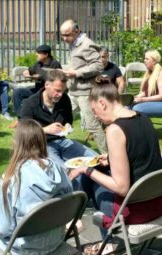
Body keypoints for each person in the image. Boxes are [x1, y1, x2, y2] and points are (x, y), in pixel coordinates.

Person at [68, 78, 162, 255]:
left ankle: (104, 243)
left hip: (137, 210)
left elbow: (122, 187)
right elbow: (140, 157)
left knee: (87, 177)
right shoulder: (143, 118)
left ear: (102, 103)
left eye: (94, 111)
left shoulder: (115, 130)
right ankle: (75, 220)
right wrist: (111, 159)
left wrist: (87, 170)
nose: (95, 116)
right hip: (159, 200)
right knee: (94, 171)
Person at [0, 119, 73, 255]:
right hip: (56, 240)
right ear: (42, 141)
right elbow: (69, 202)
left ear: (16, 143)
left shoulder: (10, 180)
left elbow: (3, 229)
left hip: (23, 251)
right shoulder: (59, 169)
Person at [18, 70, 97, 168]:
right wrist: (45, 130)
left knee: (95, 158)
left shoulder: (64, 99)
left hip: (62, 141)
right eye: (57, 90)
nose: (60, 94)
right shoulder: (30, 103)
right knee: (62, 170)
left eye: (63, 91)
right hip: (41, 144)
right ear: (46, 85)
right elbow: (22, 131)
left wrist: (68, 125)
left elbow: (68, 119)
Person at [60, 19, 107, 153]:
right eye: (62, 35)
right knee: (60, 116)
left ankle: (108, 156)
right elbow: (79, 63)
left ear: (76, 31)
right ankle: (54, 147)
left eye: (67, 35)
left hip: (85, 93)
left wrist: (76, 73)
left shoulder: (86, 44)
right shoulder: (74, 43)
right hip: (73, 91)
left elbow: (98, 66)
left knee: (93, 126)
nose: (64, 38)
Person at [12, 44, 62, 114]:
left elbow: (57, 80)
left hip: (48, 92)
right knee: (18, 92)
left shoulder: (55, 64)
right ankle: (20, 115)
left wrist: (40, 77)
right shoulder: (38, 63)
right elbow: (30, 70)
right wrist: (26, 72)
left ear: (46, 54)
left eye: (39, 53)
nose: (36, 55)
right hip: (37, 90)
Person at [132, 50, 162, 117]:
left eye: (147, 59)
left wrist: (143, 100)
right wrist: (135, 97)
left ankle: (144, 126)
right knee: (126, 107)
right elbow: (146, 92)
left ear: (154, 61)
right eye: (144, 58)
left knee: (137, 108)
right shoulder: (150, 73)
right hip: (154, 102)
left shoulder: (161, 73)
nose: (144, 60)